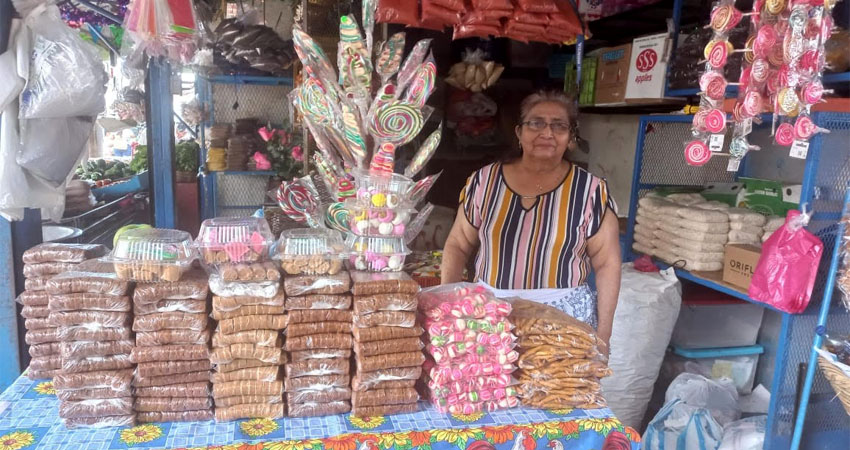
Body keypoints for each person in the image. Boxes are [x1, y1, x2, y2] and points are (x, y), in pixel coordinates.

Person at [441, 91, 621, 349]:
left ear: (571, 137)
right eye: (536, 123)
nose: (547, 133)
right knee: (493, 388)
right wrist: (449, 307)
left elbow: (607, 264)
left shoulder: (590, 191)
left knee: (557, 389)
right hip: (490, 318)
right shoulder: (485, 182)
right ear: (519, 132)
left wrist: (604, 334)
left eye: (559, 126)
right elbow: (458, 244)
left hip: (563, 325)